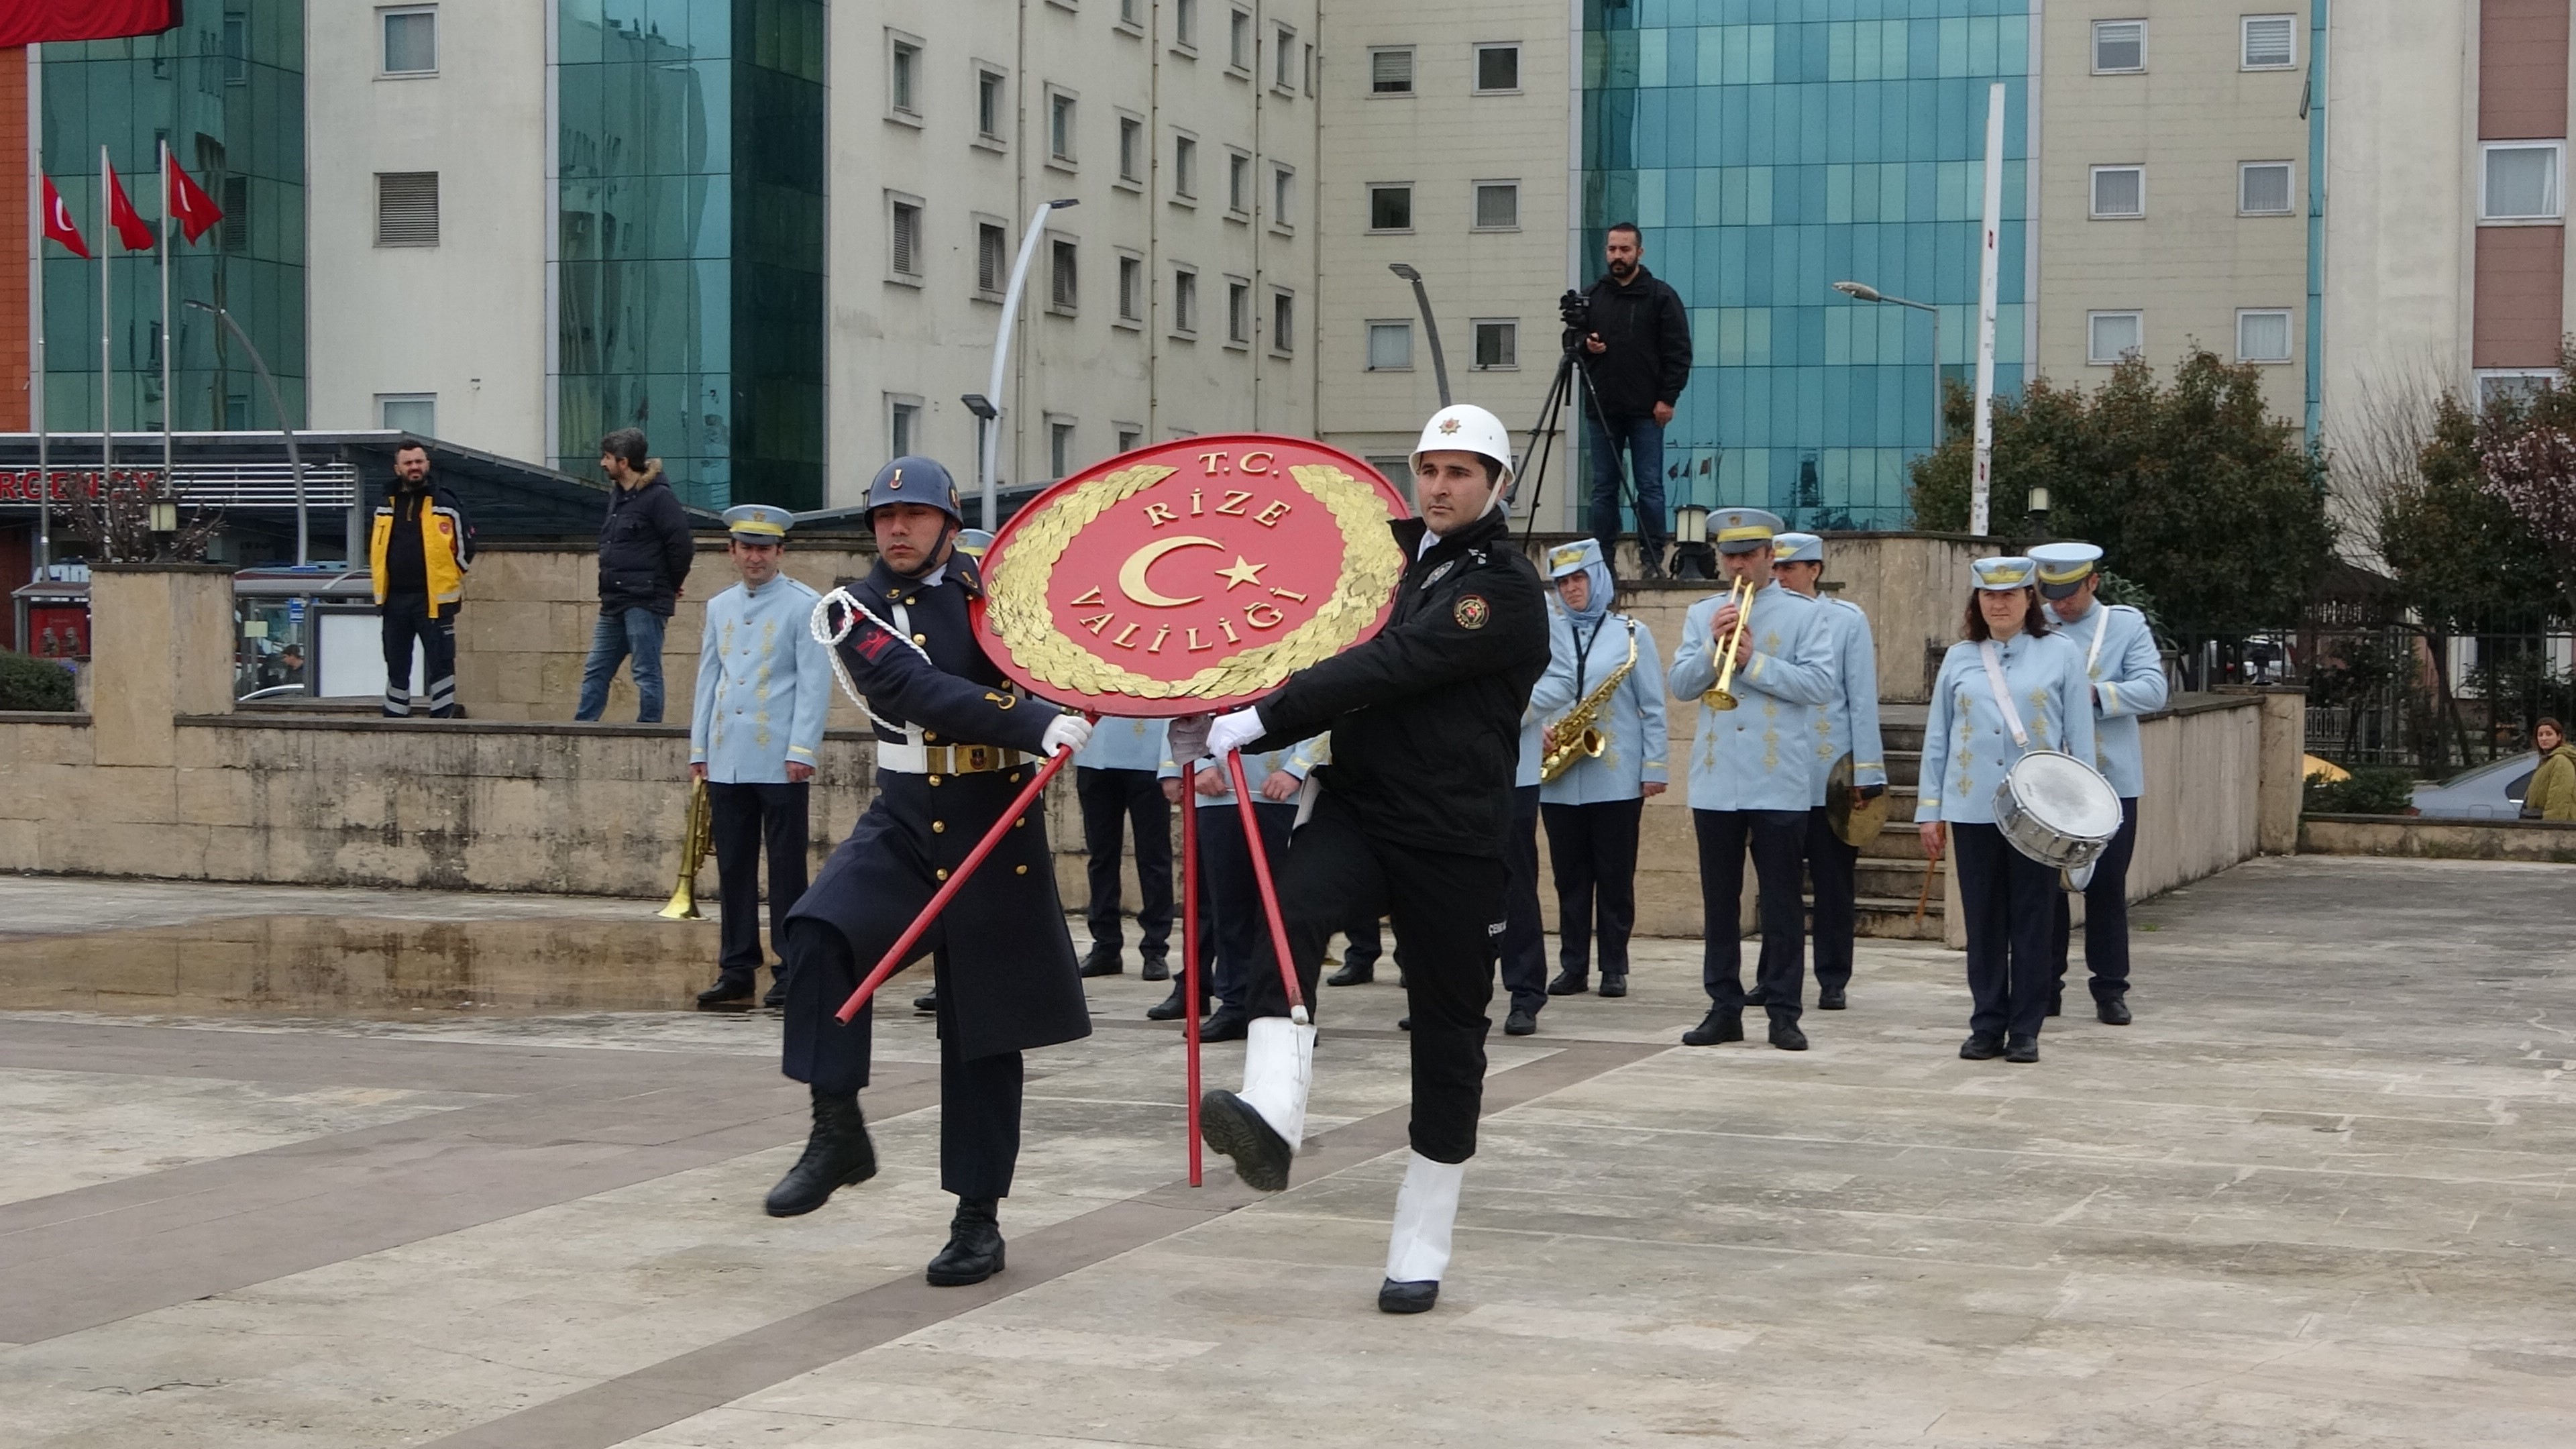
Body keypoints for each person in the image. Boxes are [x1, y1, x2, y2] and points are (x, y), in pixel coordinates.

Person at [1181, 402, 1550, 1315]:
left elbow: (1392, 667)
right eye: (1428, 468)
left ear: (1496, 486)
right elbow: (1292, 618)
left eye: (1461, 472)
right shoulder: (1387, 569)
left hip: (1454, 836)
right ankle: (1272, 1112)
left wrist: (1259, 718)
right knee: (1289, 910)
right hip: (1362, 807)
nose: (1439, 485)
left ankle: (1421, 1237)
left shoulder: (1500, 590)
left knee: (1450, 1032)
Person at [763, 455, 1095, 1293]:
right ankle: (836, 1125)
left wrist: (1096, 691)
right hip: (909, 819)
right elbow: (915, 686)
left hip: (998, 821)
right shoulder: (851, 610)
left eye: (913, 516)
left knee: (984, 1034)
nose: (897, 530)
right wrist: (1033, 719)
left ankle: (977, 1220)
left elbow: (1079, 641)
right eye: (884, 517)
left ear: (949, 522)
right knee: (818, 932)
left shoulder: (1000, 593)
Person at [1667, 508, 1837, 1051]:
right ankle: (1723, 1005)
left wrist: (1752, 662)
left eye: (1749, 555)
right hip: (1717, 779)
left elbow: (1818, 685)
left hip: (1778, 777)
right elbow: (1681, 684)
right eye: (1729, 556)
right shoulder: (1702, 614)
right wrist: (1714, 649)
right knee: (1720, 900)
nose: (1738, 565)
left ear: (1771, 557)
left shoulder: (1805, 615)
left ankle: (1785, 1010)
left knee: (1784, 900)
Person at [1915, 557, 2096, 1065]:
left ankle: (2026, 1027)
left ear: (2028, 599)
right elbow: (1939, 740)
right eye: (1989, 596)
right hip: (1973, 806)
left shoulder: (2060, 653)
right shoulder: (1959, 658)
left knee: (2034, 919)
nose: (1999, 604)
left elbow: (2079, 742)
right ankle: (1986, 1021)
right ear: (1977, 601)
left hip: (2038, 813)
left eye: (2011, 595)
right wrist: (1931, 810)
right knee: (1984, 920)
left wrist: (2081, 815)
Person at [688, 504, 832, 1011]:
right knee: (733, 866)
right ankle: (736, 966)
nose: (755, 556)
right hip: (728, 752)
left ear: (780, 552)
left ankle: (791, 965)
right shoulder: (719, 606)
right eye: (746, 547)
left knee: (788, 868)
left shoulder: (804, 605)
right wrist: (700, 747)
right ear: (731, 551)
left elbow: (815, 684)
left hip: (778, 754)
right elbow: (710, 677)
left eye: (764, 548)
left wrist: (802, 749)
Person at [2028, 541, 2167, 1026]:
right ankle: (2045, 987)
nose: (2059, 603)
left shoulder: (2123, 625)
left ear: (2093, 582)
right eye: (2050, 592)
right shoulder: (2036, 625)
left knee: (2106, 887)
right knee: (2046, 888)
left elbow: (2153, 688)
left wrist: (2094, 693)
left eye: (2069, 592)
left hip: (2111, 780)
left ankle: (2110, 990)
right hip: (2047, 780)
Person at [1536, 538, 1668, 1001]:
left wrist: (1655, 767)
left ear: (1598, 579)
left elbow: (1653, 706)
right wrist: (1540, 730)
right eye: (1563, 582)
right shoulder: (1545, 631)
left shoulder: (1633, 633)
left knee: (1615, 875)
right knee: (1568, 877)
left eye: (1579, 578)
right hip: (1557, 775)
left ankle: (1615, 966)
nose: (1571, 589)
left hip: (1615, 775)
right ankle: (1573, 966)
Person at [1770, 533, 1885, 1012]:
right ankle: (1775, 976)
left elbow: (1860, 698)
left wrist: (1869, 772)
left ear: (1814, 570)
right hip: (1779, 772)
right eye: (1776, 569)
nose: (1781, 578)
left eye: (1790, 569)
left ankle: (1833, 975)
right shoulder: (1765, 616)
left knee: (1834, 882)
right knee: (1779, 887)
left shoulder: (1845, 621)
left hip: (1830, 773)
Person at [1158, 742, 1308, 1040]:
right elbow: (1180, 708)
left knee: (1288, 910)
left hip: (1289, 794)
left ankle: (1287, 1007)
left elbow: (1321, 706)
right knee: (1228, 908)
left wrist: (1297, 769)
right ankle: (1235, 1005)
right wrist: (1191, 765)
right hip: (1216, 794)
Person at [1578, 223, 1692, 579]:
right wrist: (1585, 345)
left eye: (1625, 250)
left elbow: (1679, 352)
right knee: (1603, 489)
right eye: (1612, 249)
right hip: (1602, 408)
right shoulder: (1592, 295)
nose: (1617, 256)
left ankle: (1651, 559)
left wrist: (1667, 399)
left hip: (1647, 410)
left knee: (1650, 486)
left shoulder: (1661, 297)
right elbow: (1572, 341)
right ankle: (1603, 562)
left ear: (1639, 253)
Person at [576, 428, 694, 723]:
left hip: (645, 599)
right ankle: (581, 728)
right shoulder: (619, 496)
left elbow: (681, 545)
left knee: (645, 671)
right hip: (615, 599)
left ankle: (650, 731)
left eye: (606, 458)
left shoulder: (658, 498)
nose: (603, 464)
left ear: (624, 462)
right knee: (596, 669)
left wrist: (670, 584)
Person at [368, 440, 474, 718]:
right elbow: (376, 550)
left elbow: (466, 547)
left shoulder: (445, 502)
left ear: (427, 464)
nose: (414, 467)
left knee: (441, 662)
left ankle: (442, 720)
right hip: (394, 601)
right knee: (396, 662)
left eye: (419, 461)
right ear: (397, 468)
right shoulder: (383, 504)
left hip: (434, 601)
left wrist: (449, 577)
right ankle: (394, 718)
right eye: (408, 463)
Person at [1073, 716, 1175, 981]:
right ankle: (1105, 946)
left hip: (1150, 756)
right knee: (1101, 856)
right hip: (1096, 754)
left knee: (1154, 858)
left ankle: (1155, 948)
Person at [2527, 718, 2576, 821]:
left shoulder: (2560, 760)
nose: (2544, 738)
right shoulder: (2548, 760)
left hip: (2556, 827)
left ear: (2559, 737)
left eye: (2549, 734)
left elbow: (2559, 799)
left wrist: (2550, 828)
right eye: (2540, 735)